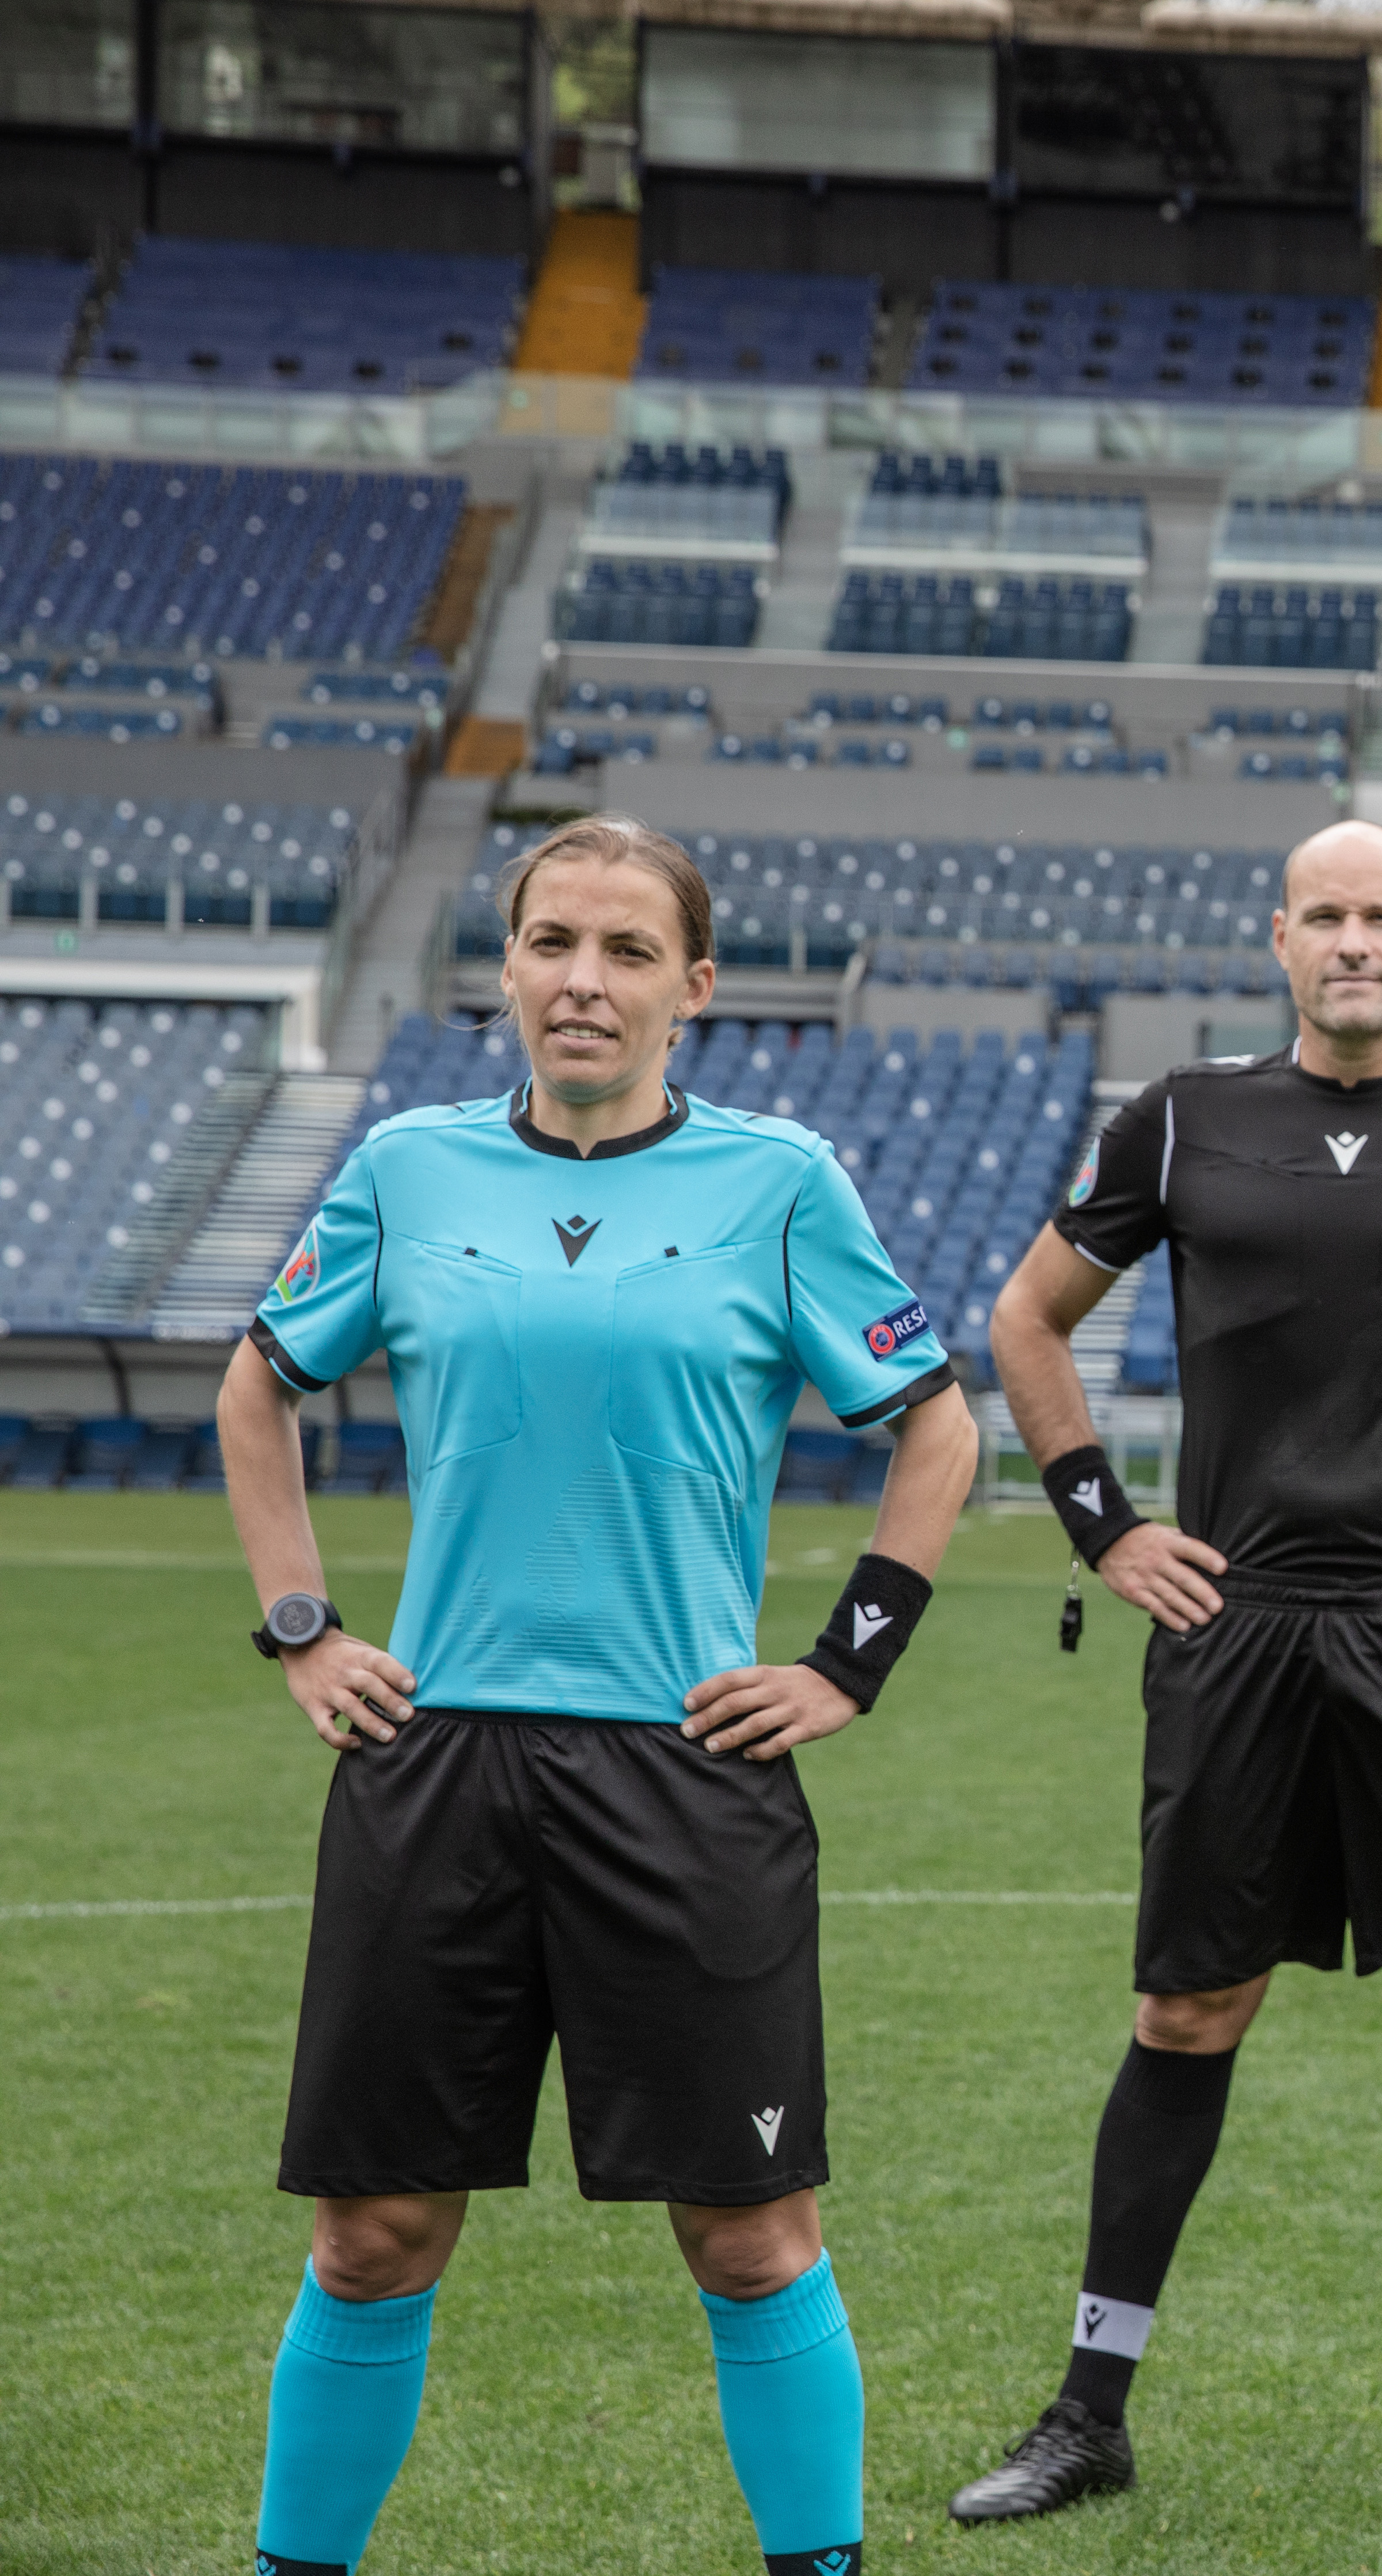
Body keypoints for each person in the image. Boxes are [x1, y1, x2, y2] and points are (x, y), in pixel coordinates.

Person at [220, 815, 981, 2576]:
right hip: (435, 1759)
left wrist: (844, 1664)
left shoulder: (779, 1181)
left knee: (750, 2231)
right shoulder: (406, 1168)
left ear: (693, 989)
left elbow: (936, 1424)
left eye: (630, 952)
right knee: (375, 2232)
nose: (585, 980)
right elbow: (257, 1393)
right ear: (507, 970)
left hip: (684, 1766)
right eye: (555, 942)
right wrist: (302, 1627)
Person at [952, 819, 1382, 2533]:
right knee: (1188, 2009)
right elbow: (1026, 1320)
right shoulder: (1185, 1117)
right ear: (1283, 938)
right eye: (1326, 915)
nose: (1355, 942)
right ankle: (1090, 2413)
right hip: (1235, 1627)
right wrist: (1106, 1526)